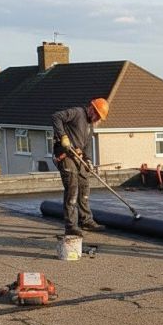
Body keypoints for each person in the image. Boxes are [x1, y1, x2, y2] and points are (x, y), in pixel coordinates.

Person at [52, 98, 109, 236]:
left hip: (78, 157)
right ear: (91, 108)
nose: (96, 119)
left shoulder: (90, 126)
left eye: (99, 117)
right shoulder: (77, 113)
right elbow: (56, 117)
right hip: (65, 156)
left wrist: (88, 160)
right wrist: (63, 136)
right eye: (96, 115)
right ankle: (71, 226)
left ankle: (86, 221)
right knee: (72, 189)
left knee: (84, 187)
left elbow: (87, 146)